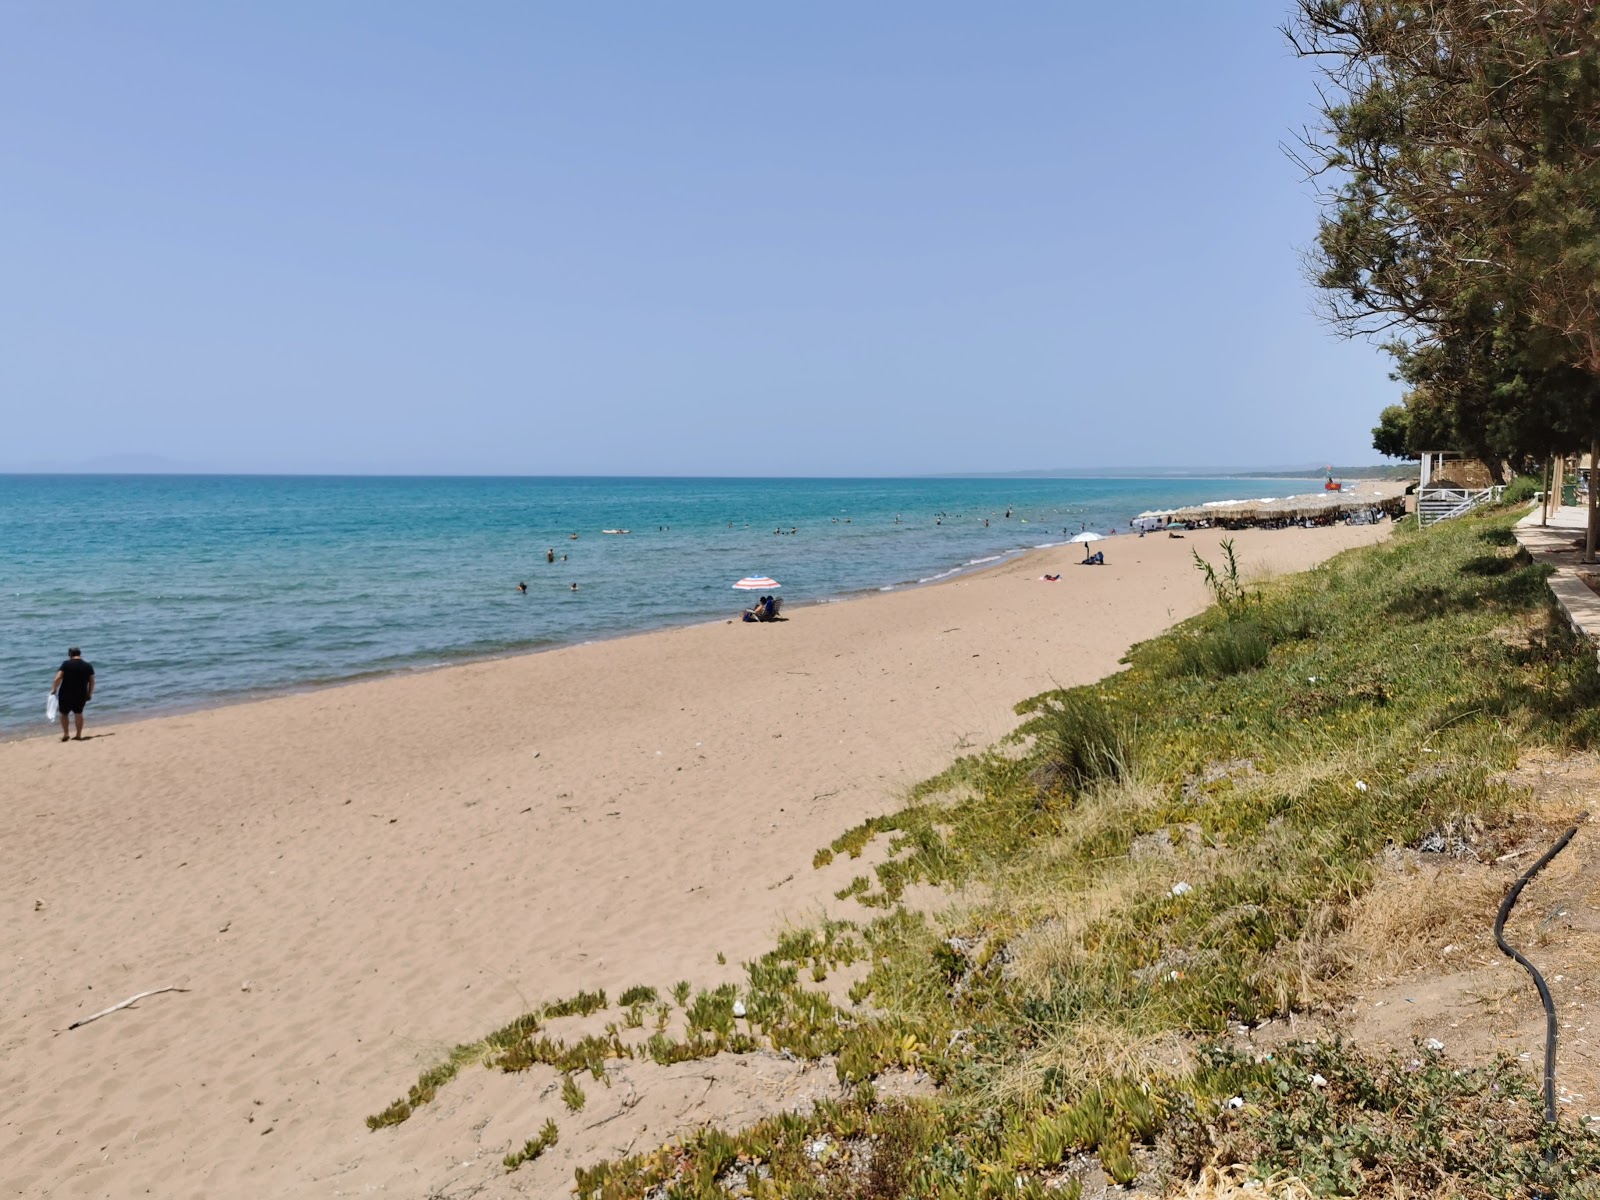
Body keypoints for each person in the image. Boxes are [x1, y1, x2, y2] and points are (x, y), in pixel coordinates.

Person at [51, 647, 94, 742]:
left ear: (70, 654)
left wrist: (54, 689)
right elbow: (92, 682)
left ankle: (66, 733)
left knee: (64, 713)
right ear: (80, 654)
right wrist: (89, 693)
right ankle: (78, 735)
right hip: (81, 693)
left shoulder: (66, 664)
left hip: (66, 693)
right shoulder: (88, 666)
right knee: (78, 713)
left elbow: (58, 678)